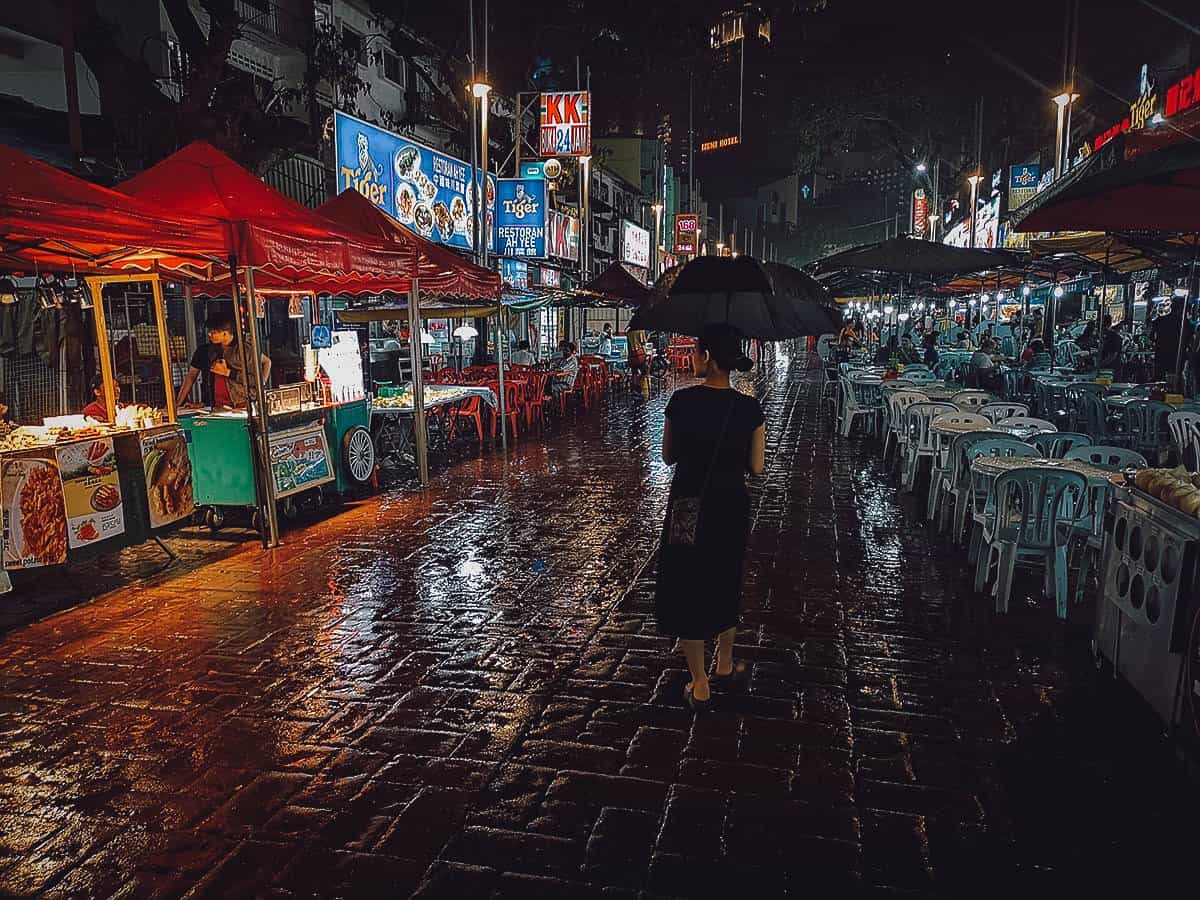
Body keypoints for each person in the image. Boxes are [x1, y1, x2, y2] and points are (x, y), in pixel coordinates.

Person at [656, 324, 765, 712]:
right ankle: (725, 662)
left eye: (697, 351)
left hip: (689, 505)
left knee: (688, 586)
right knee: (725, 577)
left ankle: (699, 684)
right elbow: (757, 466)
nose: (692, 357)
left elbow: (668, 456)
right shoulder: (750, 408)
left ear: (709, 357)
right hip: (731, 505)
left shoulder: (681, 402)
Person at [176, 314, 271, 410]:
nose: (209, 334)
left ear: (225, 333)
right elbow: (191, 377)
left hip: (242, 404)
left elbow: (265, 364)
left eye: (213, 332)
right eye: (209, 331)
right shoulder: (204, 351)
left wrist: (228, 373)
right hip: (218, 406)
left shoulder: (244, 349)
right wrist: (177, 404)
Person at [1153, 299, 1192, 384]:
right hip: (1177, 357)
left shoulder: (1159, 321)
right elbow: (1190, 341)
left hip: (1161, 355)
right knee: (1175, 381)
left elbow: (1151, 336)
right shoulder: (1187, 324)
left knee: (1159, 382)